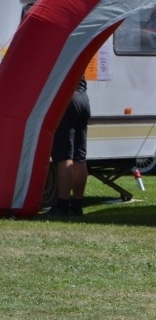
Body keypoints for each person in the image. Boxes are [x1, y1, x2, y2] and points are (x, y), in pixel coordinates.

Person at [49, 74, 91, 216]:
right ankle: (77, 205)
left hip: (67, 100)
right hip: (82, 98)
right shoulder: (68, 50)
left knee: (64, 156)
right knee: (79, 157)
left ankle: (62, 206)